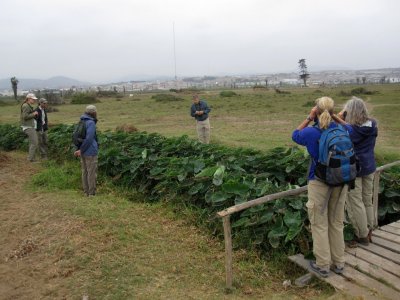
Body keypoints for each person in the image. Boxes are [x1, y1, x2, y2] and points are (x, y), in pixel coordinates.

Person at [292, 97, 352, 277]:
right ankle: (339, 262)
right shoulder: (341, 129)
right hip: (341, 180)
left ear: (315, 111)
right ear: (332, 112)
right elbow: (351, 129)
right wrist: (335, 117)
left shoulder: (311, 133)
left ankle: (323, 265)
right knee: (336, 222)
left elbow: (295, 134)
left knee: (319, 224)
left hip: (319, 182)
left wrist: (309, 117)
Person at [339, 97, 378, 246]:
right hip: (369, 166)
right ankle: (370, 228)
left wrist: (341, 114)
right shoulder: (373, 124)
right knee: (367, 199)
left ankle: (361, 235)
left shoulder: (350, 130)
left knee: (355, 202)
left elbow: (344, 128)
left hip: (354, 168)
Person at [73, 105, 99, 197]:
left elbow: (77, 136)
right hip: (90, 151)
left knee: (84, 171)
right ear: (93, 113)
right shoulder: (91, 123)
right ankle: (91, 193)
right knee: (91, 172)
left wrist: (79, 149)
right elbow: (89, 139)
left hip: (82, 151)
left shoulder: (81, 120)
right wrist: (82, 150)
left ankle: (86, 192)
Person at [20, 93, 39, 162]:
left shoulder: (27, 105)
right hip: (28, 126)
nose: (34, 100)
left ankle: (32, 158)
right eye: (33, 99)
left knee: (32, 143)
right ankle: (30, 159)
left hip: (30, 126)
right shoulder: (25, 106)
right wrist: (33, 114)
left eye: (34, 99)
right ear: (29, 99)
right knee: (35, 142)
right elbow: (25, 117)